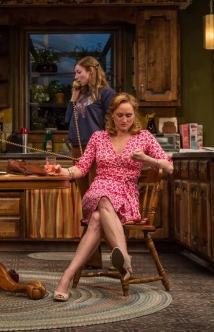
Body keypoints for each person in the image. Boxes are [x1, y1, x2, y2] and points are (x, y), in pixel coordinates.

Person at [52, 92, 173, 301]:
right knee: (104, 198)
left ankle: (66, 277)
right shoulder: (98, 137)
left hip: (127, 194)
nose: (124, 120)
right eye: (120, 115)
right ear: (111, 115)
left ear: (135, 115)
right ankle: (125, 258)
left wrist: (146, 159)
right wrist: (62, 171)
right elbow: (81, 168)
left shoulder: (144, 137)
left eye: (128, 115)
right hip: (98, 190)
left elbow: (168, 167)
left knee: (97, 219)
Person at [65, 56, 116, 199]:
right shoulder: (81, 95)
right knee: (85, 197)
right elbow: (67, 120)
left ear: (91, 71)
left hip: (96, 149)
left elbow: (112, 121)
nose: (76, 77)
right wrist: (74, 98)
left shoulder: (106, 93)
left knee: (97, 196)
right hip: (77, 148)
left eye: (79, 72)